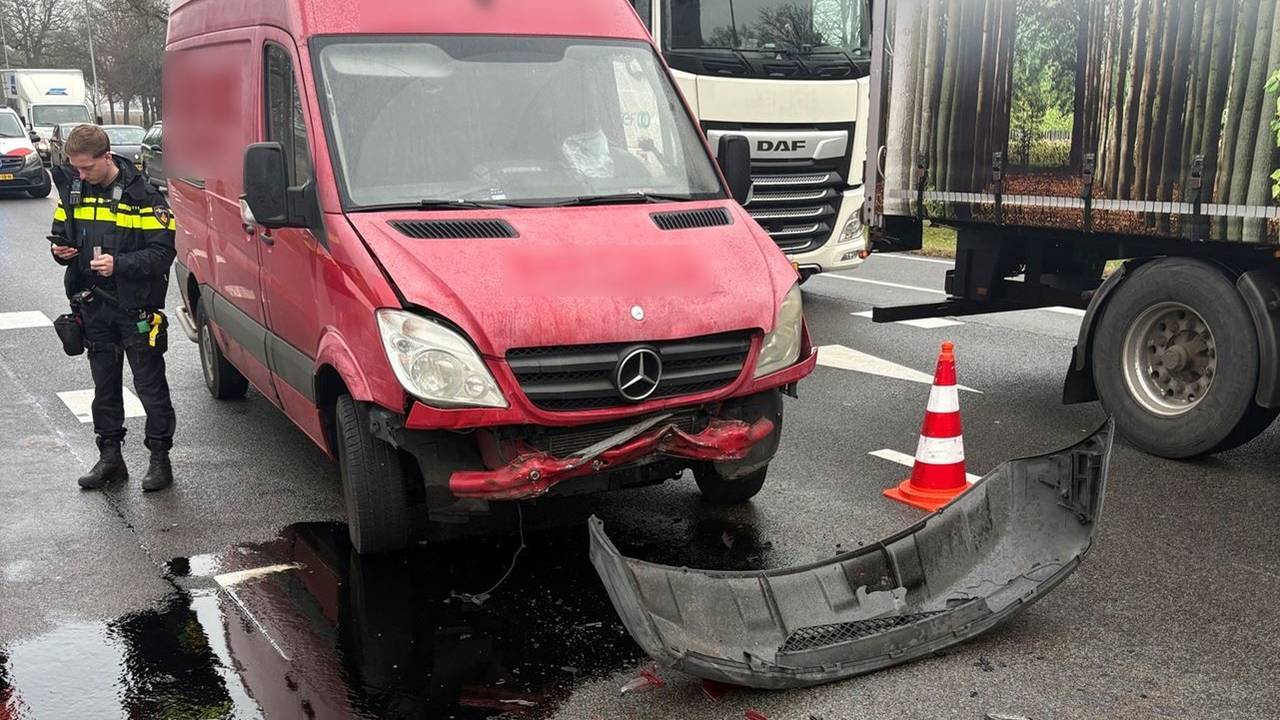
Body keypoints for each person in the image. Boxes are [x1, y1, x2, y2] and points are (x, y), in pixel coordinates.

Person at [49, 124, 177, 492]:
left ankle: (159, 458)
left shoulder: (144, 196)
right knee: (104, 388)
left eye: (87, 167)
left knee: (150, 387)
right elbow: (61, 235)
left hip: (134, 306)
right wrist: (61, 252)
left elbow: (162, 252)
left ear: (107, 157)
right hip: (93, 305)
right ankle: (110, 458)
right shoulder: (73, 190)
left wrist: (119, 264)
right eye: (76, 167)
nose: (81, 174)